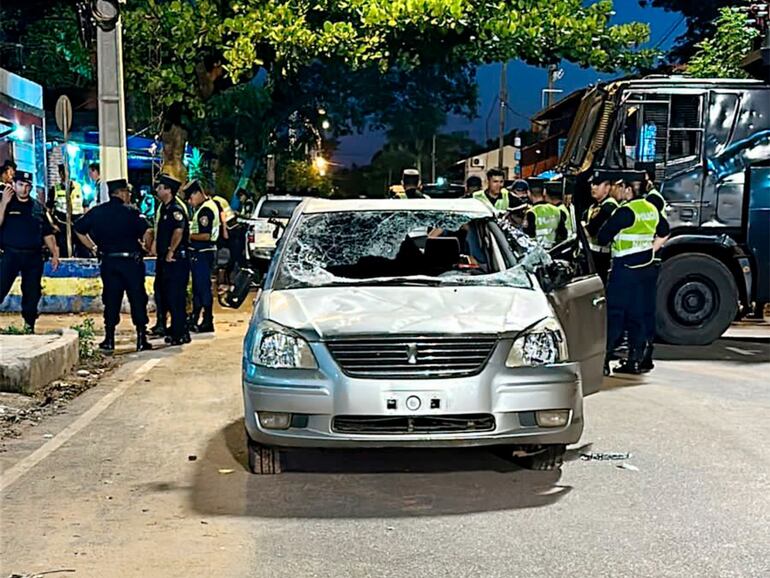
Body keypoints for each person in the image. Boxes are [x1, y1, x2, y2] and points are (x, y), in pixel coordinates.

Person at [598, 176, 670, 375]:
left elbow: (603, 237)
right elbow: (664, 232)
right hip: (646, 268)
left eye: (619, 187)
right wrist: (650, 250)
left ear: (628, 189)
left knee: (615, 314)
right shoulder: (651, 209)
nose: (617, 190)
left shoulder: (625, 211)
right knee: (639, 314)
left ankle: (604, 360)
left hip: (624, 268)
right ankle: (636, 360)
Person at [74, 179, 153, 352]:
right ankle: (141, 338)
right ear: (121, 192)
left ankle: (109, 339)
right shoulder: (132, 212)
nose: (129, 195)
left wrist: (93, 247)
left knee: (111, 300)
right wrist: (146, 247)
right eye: (127, 192)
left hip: (109, 262)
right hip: (131, 263)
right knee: (137, 299)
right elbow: (148, 231)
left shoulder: (97, 212)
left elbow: (78, 228)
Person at [0, 171, 60, 332]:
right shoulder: (6, 203)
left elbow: (47, 232)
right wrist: (4, 203)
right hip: (10, 254)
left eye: (27, 186)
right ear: (13, 185)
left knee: (32, 292)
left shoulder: (37, 207)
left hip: (33, 256)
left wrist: (55, 253)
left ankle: (29, 325)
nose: (24, 189)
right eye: (20, 185)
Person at [148, 180, 189, 338]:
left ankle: (180, 332)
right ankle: (171, 327)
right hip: (164, 259)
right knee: (163, 293)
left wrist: (171, 250)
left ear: (168, 190)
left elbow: (178, 231)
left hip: (175, 259)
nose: (157, 190)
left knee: (175, 295)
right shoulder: (164, 208)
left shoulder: (175, 209)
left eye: (160, 187)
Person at [185, 180, 220, 333]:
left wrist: (189, 236)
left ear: (197, 193)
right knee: (199, 287)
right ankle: (196, 317)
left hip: (203, 253)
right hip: (204, 253)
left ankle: (207, 320)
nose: (190, 203)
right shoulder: (207, 206)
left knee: (202, 287)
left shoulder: (205, 211)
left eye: (190, 198)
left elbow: (205, 235)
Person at [583, 171, 618, 283]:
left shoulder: (609, 206)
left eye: (598, 184)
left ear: (607, 188)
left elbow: (591, 230)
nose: (593, 187)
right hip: (593, 253)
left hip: (604, 255)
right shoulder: (594, 206)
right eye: (592, 184)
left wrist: (583, 226)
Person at [53, 164, 86, 257]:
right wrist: (53, 224)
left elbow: (85, 206)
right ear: (60, 174)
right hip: (62, 224)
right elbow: (48, 209)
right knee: (64, 250)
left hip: (78, 223)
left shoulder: (79, 187)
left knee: (82, 250)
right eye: (63, 173)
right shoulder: (55, 188)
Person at [523, 182, 567, 249]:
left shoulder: (531, 213)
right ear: (544, 192)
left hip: (537, 253)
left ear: (528, 193)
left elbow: (528, 237)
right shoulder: (557, 210)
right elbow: (563, 235)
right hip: (553, 252)